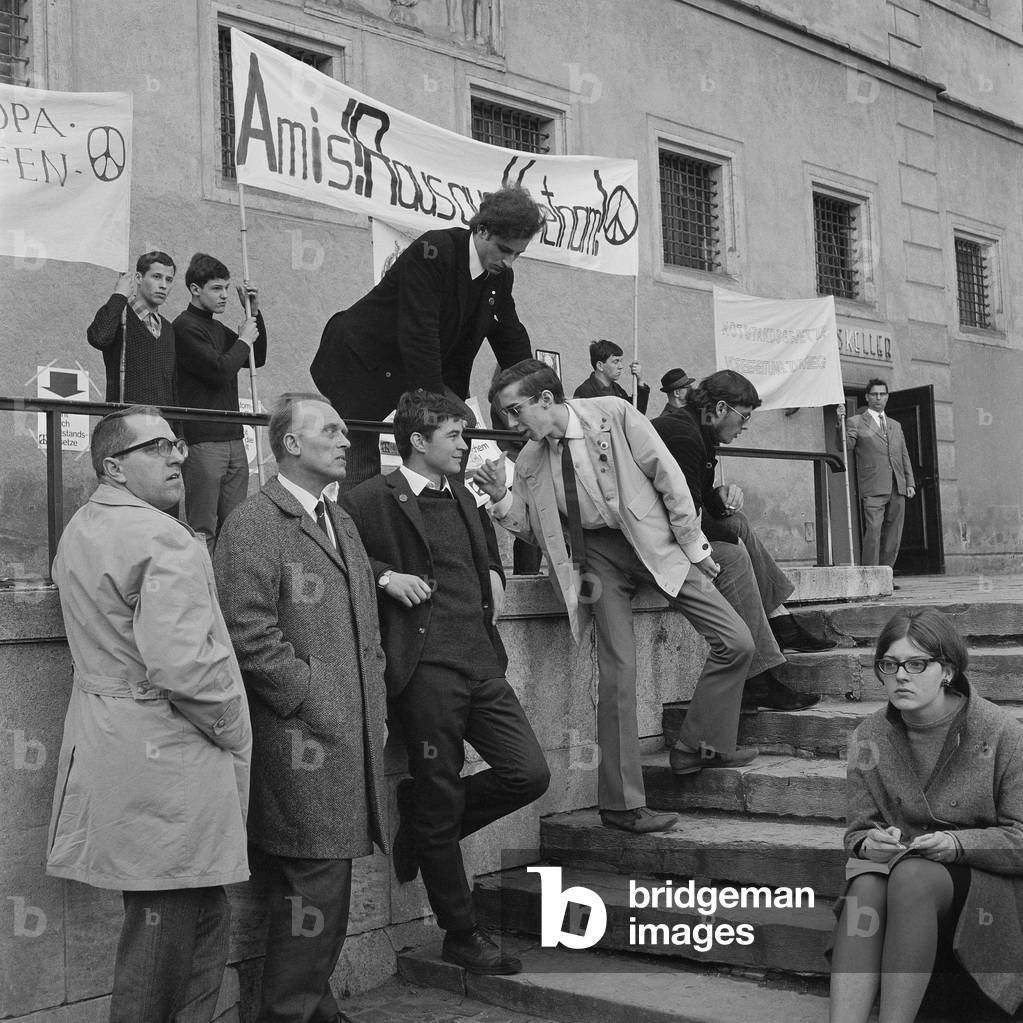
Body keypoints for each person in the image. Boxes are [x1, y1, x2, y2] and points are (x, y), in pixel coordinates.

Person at [472, 359, 761, 835]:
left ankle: (699, 745)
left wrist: (695, 546)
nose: (511, 422)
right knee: (618, 672)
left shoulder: (614, 413)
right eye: (504, 413)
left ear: (547, 400)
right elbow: (535, 528)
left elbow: (667, 476)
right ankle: (622, 805)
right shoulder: (527, 460)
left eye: (515, 409)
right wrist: (503, 498)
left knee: (737, 641)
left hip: (656, 542)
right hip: (596, 560)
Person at [47, 405, 251, 1023]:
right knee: (165, 929)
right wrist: (235, 728)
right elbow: (185, 666)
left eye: (178, 444)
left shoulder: (82, 525)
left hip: (110, 738)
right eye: (157, 447)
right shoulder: (164, 537)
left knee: (198, 912)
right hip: (168, 750)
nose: (178, 456)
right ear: (114, 466)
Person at [342, 390, 549, 975]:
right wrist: (385, 578)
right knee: (439, 788)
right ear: (418, 440)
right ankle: (461, 933)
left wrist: (494, 577)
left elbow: (487, 559)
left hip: (482, 662)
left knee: (528, 773)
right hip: (424, 669)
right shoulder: (367, 499)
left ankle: (426, 822)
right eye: (456, 436)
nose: (466, 445)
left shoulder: (464, 494)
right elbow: (346, 561)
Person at [213, 392, 388, 1023]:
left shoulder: (338, 518)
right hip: (301, 739)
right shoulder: (255, 523)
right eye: (331, 430)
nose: (346, 439)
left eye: (344, 428)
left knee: (322, 881)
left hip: (345, 731)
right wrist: (310, 693)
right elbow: (246, 629)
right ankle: (289, 1013)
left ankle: (315, 1009)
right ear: (290, 443)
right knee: (316, 880)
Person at [830, 608, 1023, 1023]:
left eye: (917, 664)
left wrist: (956, 844)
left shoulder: (1002, 731)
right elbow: (857, 833)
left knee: (912, 878)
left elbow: (1021, 839)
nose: (901, 676)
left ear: (947, 671)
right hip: (901, 867)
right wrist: (870, 842)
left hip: (983, 880)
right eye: (890, 664)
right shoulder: (869, 736)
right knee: (864, 882)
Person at [311, 185, 544, 488]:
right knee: (359, 461)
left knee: (458, 425)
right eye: (504, 249)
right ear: (482, 230)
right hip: (360, 362)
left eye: (518, 254)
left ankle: (441, 509)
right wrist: (436, 408)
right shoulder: (434, 251)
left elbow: (510, 335)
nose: (509, 261)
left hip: (408, 367)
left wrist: (539, 395)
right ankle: (357, 528)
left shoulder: (499, 277)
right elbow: (419, 333)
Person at [652, 369, 835, 669]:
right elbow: (680, 517)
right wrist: (724, 532)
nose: (745, 427)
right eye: (745, 417)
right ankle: (762, 669)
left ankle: (780, 619)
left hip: (671, 529)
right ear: (721, 408)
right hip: (655, 541)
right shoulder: (683, 435)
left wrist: (719, 496)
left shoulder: (695, 430)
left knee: (737, 523)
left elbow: (691, 499)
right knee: (734, 552)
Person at [174, 253, 267, 552]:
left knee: (234, 527)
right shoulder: (185, 326)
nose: (224, 294)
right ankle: (204, 593)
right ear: (195, 289)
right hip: (203, 440)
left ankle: (229, 594)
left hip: (233, 438)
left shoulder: (215, 328)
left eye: (226, 287)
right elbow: (218, 371)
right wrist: (243, 340)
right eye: (216, 288)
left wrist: (254, 313)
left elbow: (257, 357)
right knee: (203, 528)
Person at [840, 379, 916, 569]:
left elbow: (903, 454)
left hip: (897, 486)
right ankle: (870, 574)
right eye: (874, 394)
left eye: (882, 394)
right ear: (867, 397)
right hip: (873, 486)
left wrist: (910, 482)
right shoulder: (855, 421)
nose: (878, 398)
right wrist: (839, 424)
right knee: (873, 531)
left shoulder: (895, 425)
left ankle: (885, 574)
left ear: (887, 397)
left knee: (893, 534)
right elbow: (845, 446)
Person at [87, 251, 178, 404]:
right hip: (126, 420)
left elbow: (172, 385)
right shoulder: (120, 315)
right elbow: (99, 338)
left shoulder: (168, 329)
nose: (163, 285)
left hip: (161, 422)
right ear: (138, 278)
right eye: (156, 277)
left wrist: (175, 426)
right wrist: (119, 295)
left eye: (169, 280)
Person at [573, 339, 649, 414]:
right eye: (615, 361)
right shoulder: (584, 392)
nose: (620, 366)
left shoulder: (617, 390)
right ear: (600, 365)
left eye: (620, 361)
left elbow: (636, 414)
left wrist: (640, 381)